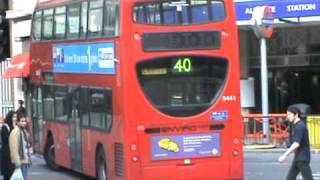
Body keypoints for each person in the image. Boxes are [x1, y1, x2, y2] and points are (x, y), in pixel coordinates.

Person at [278, 106, 313, 180]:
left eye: (290, 114)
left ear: (296, 115)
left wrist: (285, 155)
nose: (288, 117)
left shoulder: (300, 126)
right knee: (290, 178)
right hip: (298, 157)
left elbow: (296, 143)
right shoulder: (295, 124)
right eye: (287, 115)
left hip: (302, 158)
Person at [9, 113, 32, 180]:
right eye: (22, 121)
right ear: (17, 122)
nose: (24, 123)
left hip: (24, 161)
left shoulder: (23, 131)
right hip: (20, 162)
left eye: (25, 121)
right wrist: (17, 163)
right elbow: (14, 149)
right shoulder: (15, 132)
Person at [1, 111, 17, 180]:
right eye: (13, 117)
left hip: (12, 155)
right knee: (7, 175)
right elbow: (5, 139)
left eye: (16, 117)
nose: (15, 119)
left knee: (12, 175)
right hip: (6, 154)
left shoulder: (14, 127)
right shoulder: (5, 127)